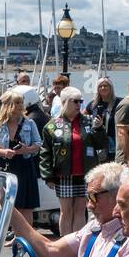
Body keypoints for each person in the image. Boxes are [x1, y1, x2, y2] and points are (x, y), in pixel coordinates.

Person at [10, 161, 129, 257]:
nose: (89, 205)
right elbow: (48, 251)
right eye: (87, 197)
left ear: (118, 196)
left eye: (94, 197)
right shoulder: (95, 229)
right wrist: (9, 208)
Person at [39, 86, 108, 235]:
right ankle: (65, 242)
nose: (79, 105)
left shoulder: (89, 121)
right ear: (64, 102)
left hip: (85, 174)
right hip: (63, 175)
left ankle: (78, 243)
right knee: (66, 211)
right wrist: (48, 176)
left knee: (80, 210)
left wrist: (99, 129)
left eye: (80, 101)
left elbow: (101, 145)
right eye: (75, 101)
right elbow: (45, 153)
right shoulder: (51, 126)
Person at [0, 88, 43, 225]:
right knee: (9, 205)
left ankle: (26, 238)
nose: (21, 105)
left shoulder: (29, 123)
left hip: (25, 167)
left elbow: (38, 144)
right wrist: (3, 152)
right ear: (8, 105)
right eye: (17, 102)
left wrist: (26, 150)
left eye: (21, 102)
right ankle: (15, 235)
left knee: (26, 207)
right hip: (6, 167)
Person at [86, 78, 119, 158]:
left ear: (111, 88)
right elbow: (81, 117)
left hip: (113, 143)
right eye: (100, 86)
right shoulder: (93, 104)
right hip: (98, 143)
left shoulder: (119, 102)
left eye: (105, 86)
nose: (103, 88)